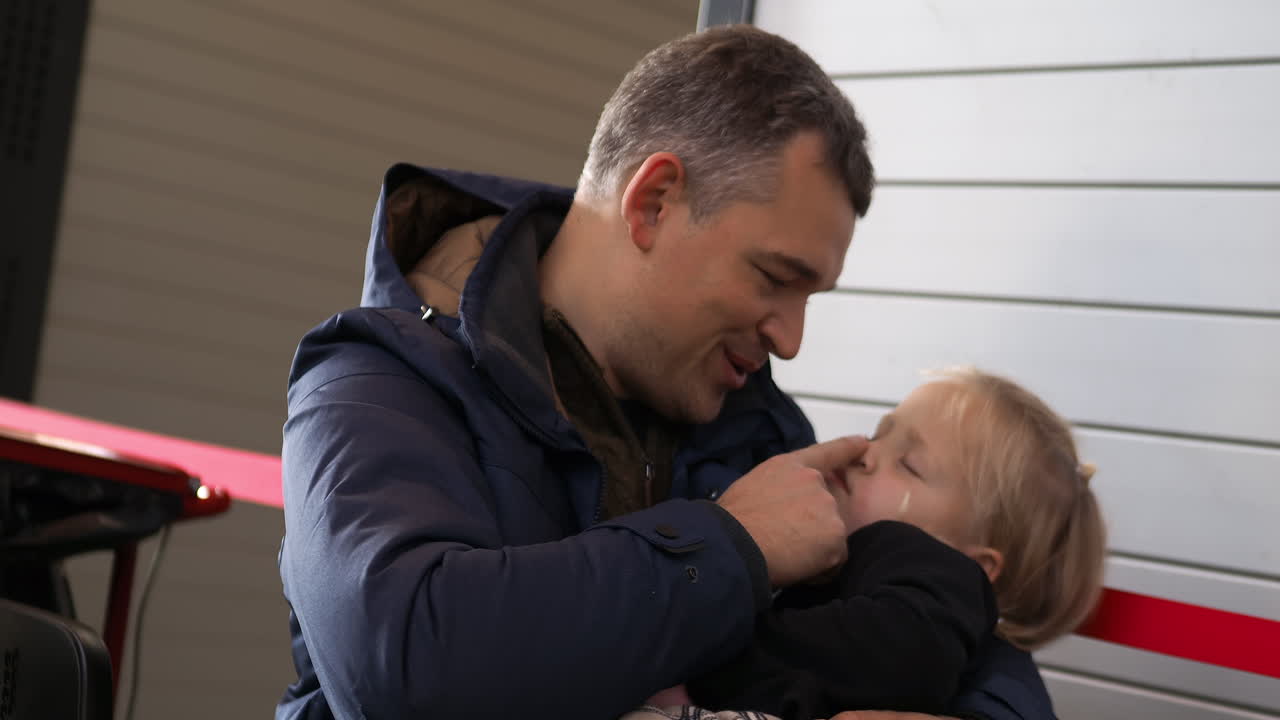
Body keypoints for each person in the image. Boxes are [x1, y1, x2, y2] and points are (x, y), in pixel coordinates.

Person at [276, 25, 1057, 720]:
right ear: (653, 202)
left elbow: (953, 629)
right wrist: (731, 545)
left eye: (810, 296)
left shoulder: (760, 429)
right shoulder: (378, 384)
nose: (791, 340)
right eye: (774, 277)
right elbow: (405, 666)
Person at [630, 369, 1106, 720]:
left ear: (976, 563)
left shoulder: (934, 573)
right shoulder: (859, 561)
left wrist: (709, 653)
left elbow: (895, 650)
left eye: (910, 465)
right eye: (880, 434)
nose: (864, 453)